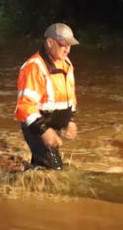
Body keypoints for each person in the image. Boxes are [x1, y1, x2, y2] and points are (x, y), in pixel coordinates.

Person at [15, 22, 79, 169]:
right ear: (50, 43)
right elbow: (25, 106)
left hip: (51, 123)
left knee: (45, 165)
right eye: (63, 45)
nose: (67, 49)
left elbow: (69, 96)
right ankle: (21, 184)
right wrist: (44, 131)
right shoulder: (34, 66)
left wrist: (70, 120)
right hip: (36, 125)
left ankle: (27, 183)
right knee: (55, 169)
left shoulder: (66, 63)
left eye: (70, 45)